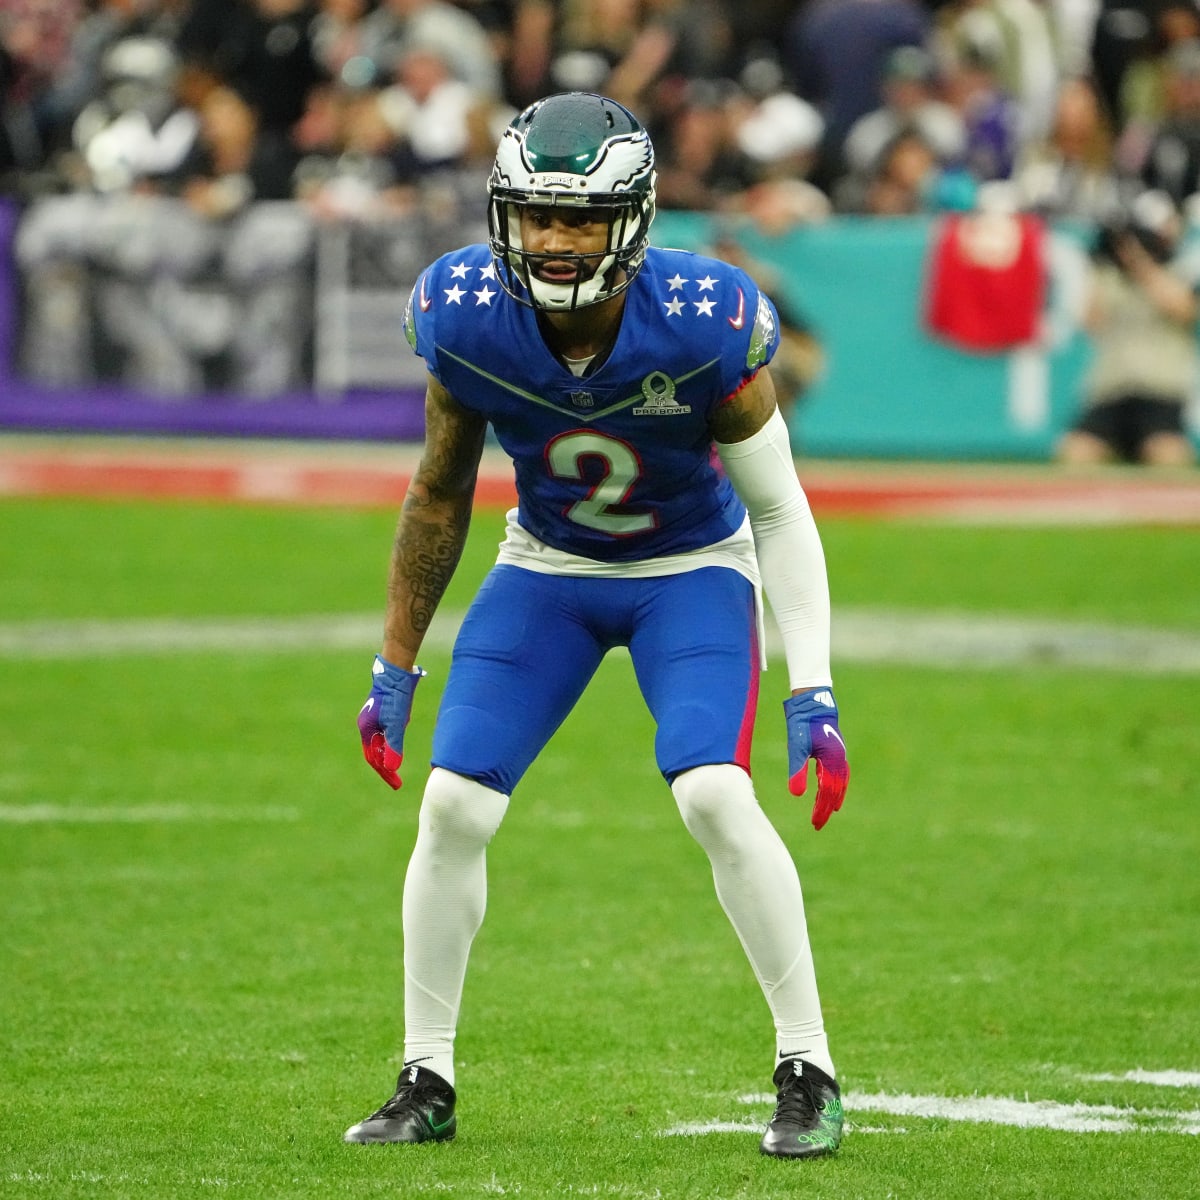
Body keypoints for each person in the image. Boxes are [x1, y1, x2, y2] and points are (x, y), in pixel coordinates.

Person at [344, 90, 851, 1160]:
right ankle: (424, 1075)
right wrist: (395, 663)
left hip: (692, 569)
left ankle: (807, 1064)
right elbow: (438, 494)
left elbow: (778, 508)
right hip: (549, 567)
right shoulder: (466, 312)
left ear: (634, 218)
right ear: (505, 214)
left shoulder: (705, 319)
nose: (559, 239)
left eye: (583, 217)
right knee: (452, 807)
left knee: (715, 791)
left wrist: (814, 685)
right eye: (539, 214)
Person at [1057, 188, 1199, 467]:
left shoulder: (1180, 272)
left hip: (1159, 391)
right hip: (1111, 389)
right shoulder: (1109, 277)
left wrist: (1141, 264)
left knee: (1168, 458)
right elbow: (1090, 321)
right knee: (1076, 454)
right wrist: (1098, 264)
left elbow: (1183, 311)